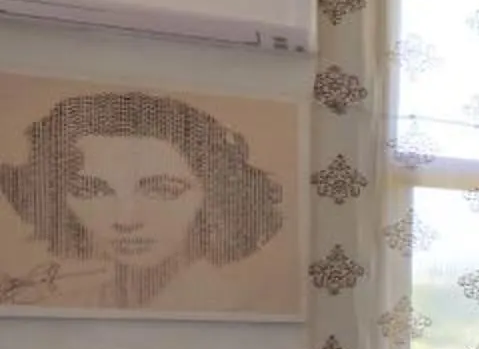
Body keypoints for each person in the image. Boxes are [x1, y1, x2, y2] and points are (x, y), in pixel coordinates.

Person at [0, 91, 288, 313]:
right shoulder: (63, 304)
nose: (125, 220)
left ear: (215, 195)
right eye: (92, 191)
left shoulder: (240, 308)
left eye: (163, 191)